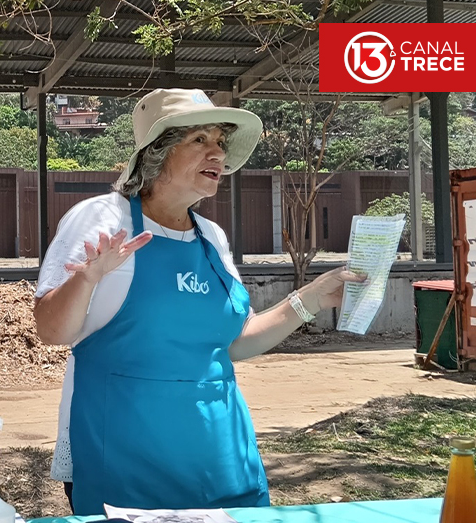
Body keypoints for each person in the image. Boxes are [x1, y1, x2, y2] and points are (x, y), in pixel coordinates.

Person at [33, 88, 366, 516]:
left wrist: (310, 299)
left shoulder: (212, 237)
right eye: (200, 140)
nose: (217, 154)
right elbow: (51, 331)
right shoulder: (102, 218)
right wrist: (87, 279)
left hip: (222, 455)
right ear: (156, 153)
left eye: (221, 143)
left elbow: (234, 342)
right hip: (125, 458)